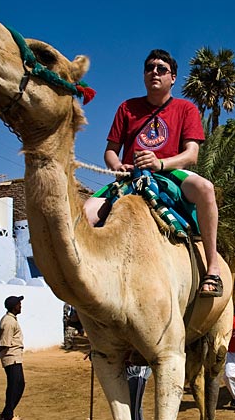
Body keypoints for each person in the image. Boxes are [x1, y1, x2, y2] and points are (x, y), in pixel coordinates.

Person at [84, 49, 223, 297]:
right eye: (150, 68)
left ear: (173, 77)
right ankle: (84, 289)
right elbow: (110, 151)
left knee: (206, 188)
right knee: (85, 214)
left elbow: (192, 154)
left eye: (162, 69)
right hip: (129, 178)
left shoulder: (186, 109)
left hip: (169, 174)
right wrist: (117, 166)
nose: (155, 73)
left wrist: (160, 163)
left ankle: (212, 268)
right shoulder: (127, 108)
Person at [0, 295, 25, 420]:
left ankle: (7, 412)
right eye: (18, 304)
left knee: (18, 385)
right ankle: (8, 415)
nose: (20, 306)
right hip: (11, 357)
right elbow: (4, 342)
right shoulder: (9, 322)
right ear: (14, 307)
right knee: (15, 386)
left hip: (14, 356)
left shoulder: (11, 320)